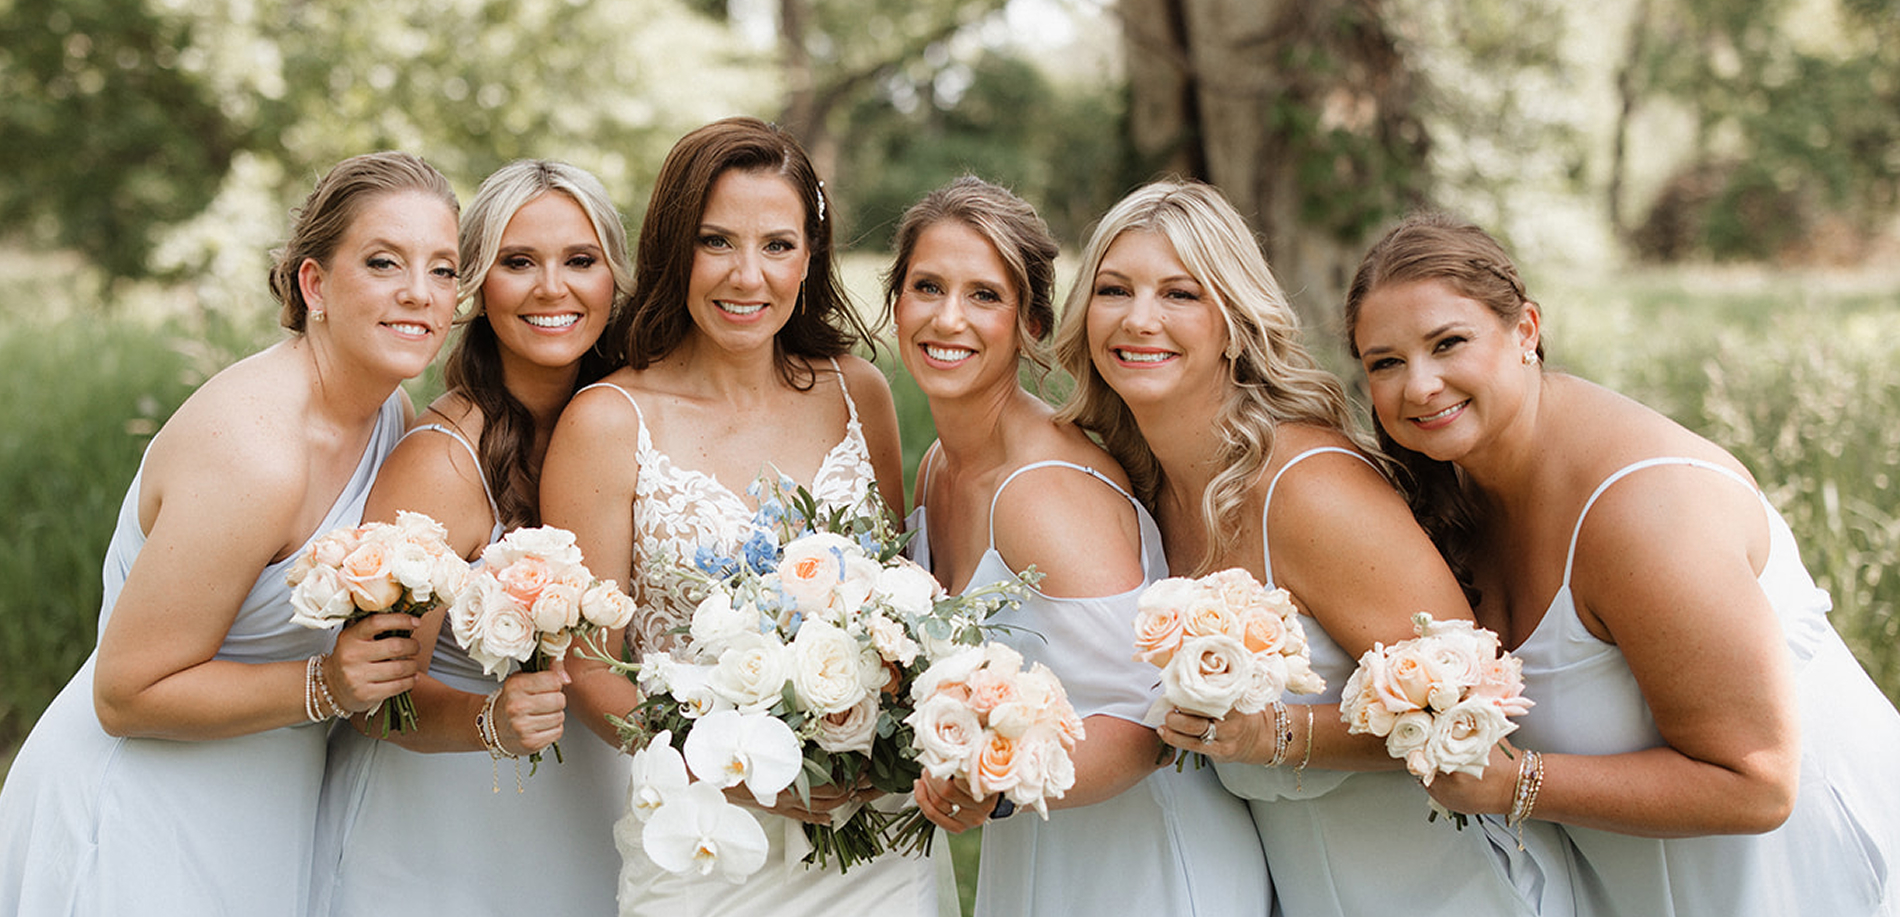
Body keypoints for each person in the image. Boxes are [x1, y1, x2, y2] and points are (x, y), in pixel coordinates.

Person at [1346, 211, 1900, 917]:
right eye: (1385, 362)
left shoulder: (1646, 512)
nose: (1418, 385)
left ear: (1526, 331)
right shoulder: (1455, 493)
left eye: (1448, 342)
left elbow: (1760, 781)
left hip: (1795, 882)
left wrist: (1515, 784)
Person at [1053, 180, 1560, 916]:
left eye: (1180, 294)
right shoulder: (1142, 486)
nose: (1139, 319)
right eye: (1113, 289)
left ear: (1234, 320)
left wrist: (1276, 733)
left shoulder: (1308, 488)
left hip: (1455, 889)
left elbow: (1473, 713)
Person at [0, 151, 457, 915]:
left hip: (266, 810)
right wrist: (326, 686)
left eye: (443, 270)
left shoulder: (391, 414)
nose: (420, 293)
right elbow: (127, 692)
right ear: (314, 284)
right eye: (384, 262)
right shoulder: (254, 451)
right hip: (141, 813)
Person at [540, 116, 946, 917]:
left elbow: (901, 607)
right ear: (673, 247)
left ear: (811, 255)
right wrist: (739, 766)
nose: (747, 276)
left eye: (778, 245)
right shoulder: (607, 421)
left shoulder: (856, 391)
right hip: (705, 843)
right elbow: (590, 668)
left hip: (875, 838)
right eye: (717, 241)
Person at [890, 176, 1269, 915]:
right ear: (895, 300)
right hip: (1043, 848)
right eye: (926, 286)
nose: (947, 317)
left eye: (984, 296)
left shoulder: (1045, 489)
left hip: (1143, 867)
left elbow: (1148, 719)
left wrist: (993, 787)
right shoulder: (941, 464)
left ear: (1031, 321)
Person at [309, 160, 632, 914]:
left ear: (613, 279)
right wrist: (490, 721)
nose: (553, 288)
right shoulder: (442, 460)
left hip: (594, 807)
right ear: (478, 285)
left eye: (580, 261)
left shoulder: (629, 421)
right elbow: (371, 695)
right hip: (446, 836)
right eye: (519, 262)